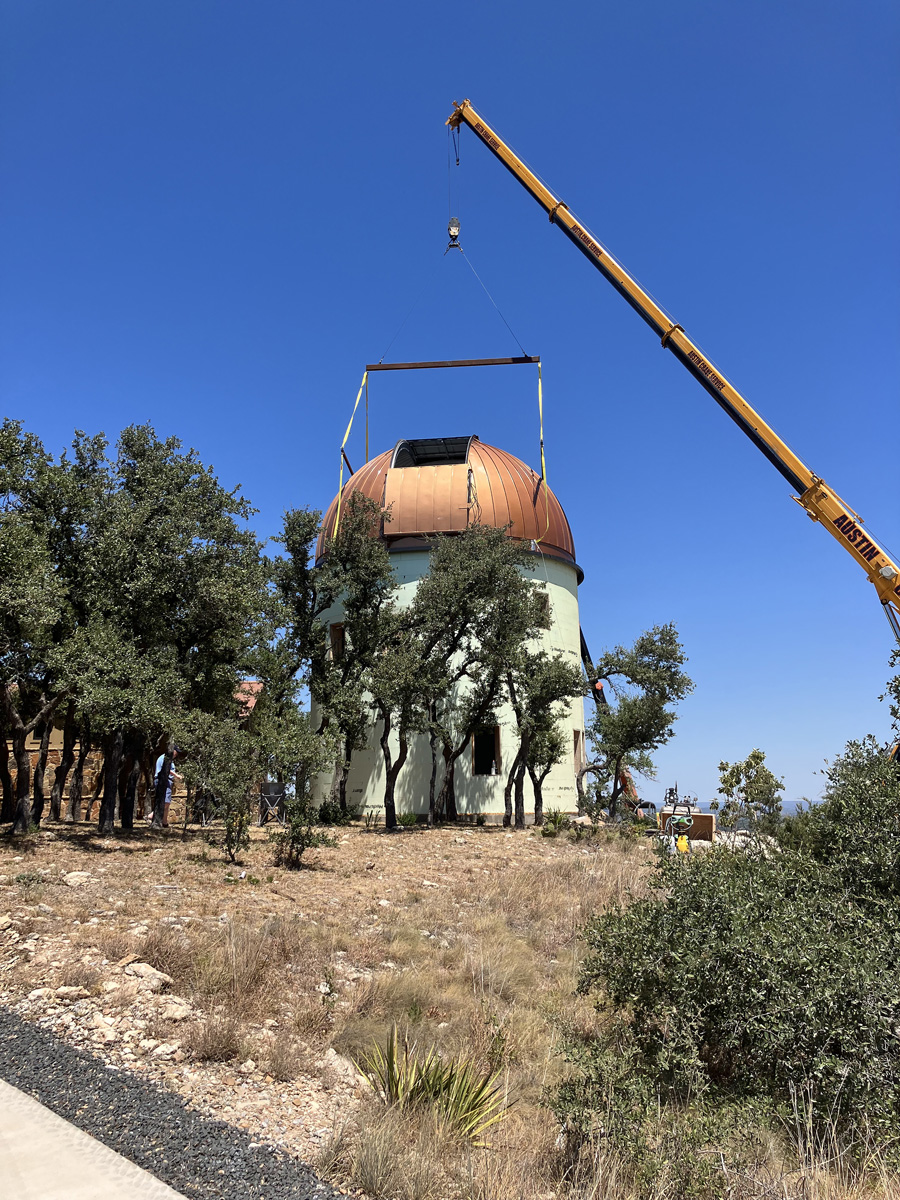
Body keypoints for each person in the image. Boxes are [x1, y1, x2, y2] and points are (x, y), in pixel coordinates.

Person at [152, 747, 182, 827]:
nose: (176, 754)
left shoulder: (168, 759)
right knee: (165, 802)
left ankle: (164, 822)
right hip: (164, 780)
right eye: (176, 752)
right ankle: (151, 815)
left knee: (167, 803)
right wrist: (176, 775)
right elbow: (166, 769)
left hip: (166, 781)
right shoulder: (165, 758)